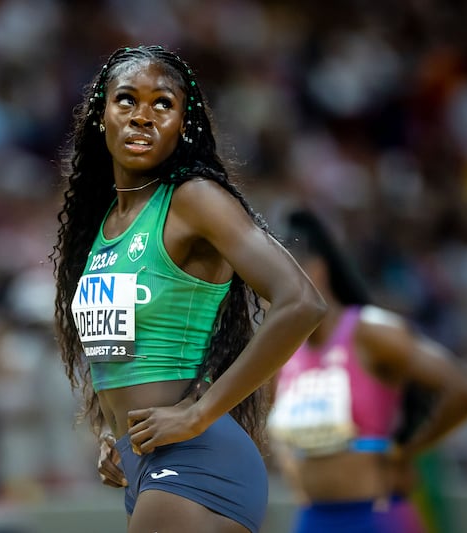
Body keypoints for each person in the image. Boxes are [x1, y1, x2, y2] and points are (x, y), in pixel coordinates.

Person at [51, 45, 326, 533]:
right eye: (126, 100)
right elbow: (121, 355)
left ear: (183, 124)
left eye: (162, 103)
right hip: (145, 466)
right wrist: (112, 435)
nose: (142, 116)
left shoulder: (193, 199)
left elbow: (301, 303)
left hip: (197, 461)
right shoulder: (104, 227)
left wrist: (199, 414)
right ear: (101, 117)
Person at [266, 208, 467, 533]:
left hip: (376, 516)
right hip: (312, 518)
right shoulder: (281, 352)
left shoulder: (370, 332)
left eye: (274, 278)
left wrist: (408, 450)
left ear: (316, 269)